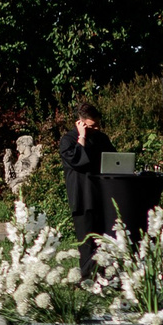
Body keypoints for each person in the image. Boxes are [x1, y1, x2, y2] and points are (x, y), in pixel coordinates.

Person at [58, 100, 115, 278]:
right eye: (92, 126)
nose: (96, 129)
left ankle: (105, 276)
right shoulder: (68, 141)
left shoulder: (101, 138)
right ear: (81, 122)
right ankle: (87, 277)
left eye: (98, 125)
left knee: (103, 239)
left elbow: (114, 160)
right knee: (87, 241)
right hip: (83, 196)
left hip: (102, 194)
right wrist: (81, 138)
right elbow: (77, 161)